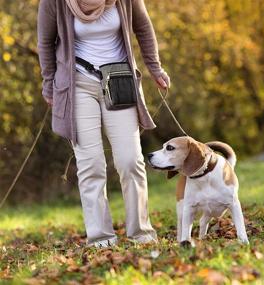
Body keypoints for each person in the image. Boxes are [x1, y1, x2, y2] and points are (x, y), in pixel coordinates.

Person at [37, 0, 170, 248]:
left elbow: (143, 27)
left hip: (118, 82)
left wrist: (155, 68)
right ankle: (101, 238)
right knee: (91, 164)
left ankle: (141, 233)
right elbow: (45, 42)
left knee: (130, 160)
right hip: (78, 85)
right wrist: (49, 83)